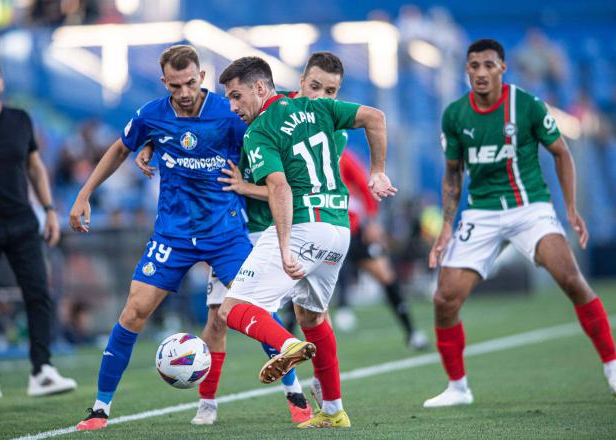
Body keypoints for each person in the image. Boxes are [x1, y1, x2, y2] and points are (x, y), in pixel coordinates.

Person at [133, 51, 347, 424]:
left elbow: (284, 190)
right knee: (298, 316)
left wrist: (245, 187)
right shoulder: (269, 116)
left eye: (331, 91)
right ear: (298, 84)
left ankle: (294, 382)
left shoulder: (294, 123)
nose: (322, 97)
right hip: (299, 229)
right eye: (315, 87)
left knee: (234, 312)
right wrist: (154, 143)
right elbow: (201, 139)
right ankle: (325, 406)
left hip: (263, 232)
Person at [425, 39, 616, 408]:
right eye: (474, 66)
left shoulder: (526, 105)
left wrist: (572, 209)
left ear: (503, 68)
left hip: (529, 207)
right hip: (480, 212)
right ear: (466, 69)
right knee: (444, 299)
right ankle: (458, 388)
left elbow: (561, 152)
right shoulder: (454, 115)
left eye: (488, 65)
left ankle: (611, 364)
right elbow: (453, 173)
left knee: (571, 279)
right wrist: (447, 225)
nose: (480, 72)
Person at [69, 45, 252, 430]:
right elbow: (121, 148)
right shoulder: (152, 114)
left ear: (201, 77)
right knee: (133, 312)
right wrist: (84, 193)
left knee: (252, 311)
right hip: (174, 235)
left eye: (190, 83)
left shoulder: (228, 113)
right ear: (163, 82)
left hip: (226, 232)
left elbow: (260, 143)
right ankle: (100, 408)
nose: (184, 93)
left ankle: (296, 396)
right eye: (175, 85)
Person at [216, 56, 396, 429]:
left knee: (231, 308)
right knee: (312, 317)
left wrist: (283, 247)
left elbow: (279, 187)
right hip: (339, 230)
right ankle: (333, 412)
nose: (233, 107)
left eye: (236, 96)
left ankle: (286, 346)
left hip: (304, 227)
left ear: (260, 88)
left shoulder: (260, 130)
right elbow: (375, 117)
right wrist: (378, 170)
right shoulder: (317, 107)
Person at [0, 59, 77, 398]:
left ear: (1, 83)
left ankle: (41, 370)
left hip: (23, 221)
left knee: (39, 293)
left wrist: (50, 210)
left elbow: (35, 167)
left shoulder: (20, 120)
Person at [334, 148, 429, 350]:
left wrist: (372, 222)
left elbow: (363, 184)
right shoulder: (297, 150)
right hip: (320, 229)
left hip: (352, 229)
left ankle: (412, 332)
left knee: (386, 276)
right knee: (300, 286)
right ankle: (283, 348)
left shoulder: (341, 153)